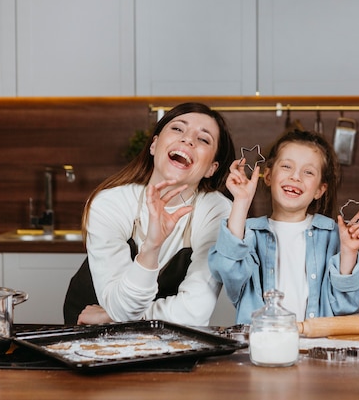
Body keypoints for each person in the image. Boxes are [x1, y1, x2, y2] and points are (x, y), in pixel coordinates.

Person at [64, 102, 236, 326]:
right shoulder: (111, 203)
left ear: (211, 168)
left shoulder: (215, 210)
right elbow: (120, 307)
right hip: (88, 331)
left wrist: (110, 317)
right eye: (177, 129)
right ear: (154, 145)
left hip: (168, 340)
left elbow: (195, 313)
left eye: (203, 139)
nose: (188, 139)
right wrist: (152, 247)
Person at [209, 129, 359, 324]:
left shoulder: (333, 235)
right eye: (287, 166)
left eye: (308, 172)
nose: (296, 177)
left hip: (316, 349)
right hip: (262, 349)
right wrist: (241, 201)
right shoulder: (248, 233)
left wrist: (349, 252)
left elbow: (346, 306)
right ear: (267, 176)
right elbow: (228, 271)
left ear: (320, 190)